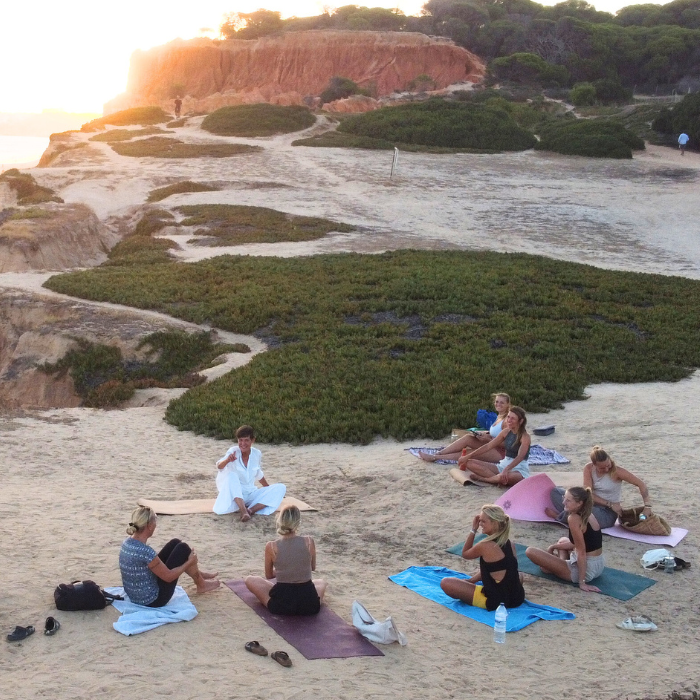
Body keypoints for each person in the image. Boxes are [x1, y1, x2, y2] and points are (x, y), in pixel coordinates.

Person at [119, 506, 219, 607]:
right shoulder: (145, 551)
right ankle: (201, 584)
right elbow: (169, 577)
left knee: (175, 543)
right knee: (183, 549)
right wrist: (189, 562)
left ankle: (199, 575)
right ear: (149, 526)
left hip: (136, 594)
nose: (156, 524)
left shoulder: (127, 542)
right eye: (155, 520)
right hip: (153, 600)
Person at [244, 505, 327, 615]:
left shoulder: (271, 546)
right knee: (321, 582)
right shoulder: (309, 542)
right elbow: (312, 567)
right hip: (309, 605)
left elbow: (269, 576)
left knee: (250, 579)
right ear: (298, 522)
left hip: (281, 603)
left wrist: (284, 571)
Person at [440, 504, 525, 610]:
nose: (480, 524)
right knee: (518, 575)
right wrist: (471, 581)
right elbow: (495, 569)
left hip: (496, 601)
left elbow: (465, 553)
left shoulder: (485, 545)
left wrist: (473, 530)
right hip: (517, 597)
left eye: (483, 521)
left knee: (446, 583)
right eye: (480, 521)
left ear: (494, 523)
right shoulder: (509, 543)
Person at [546, 445, 652, 529]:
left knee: (581, 508)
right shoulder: (588, 469)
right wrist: (610, 504)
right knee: (556, 492)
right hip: (592, 504)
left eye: (608, 465)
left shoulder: (617, 471)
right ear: (594, 465)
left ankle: (559, 517)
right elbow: (588, 493)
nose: (606, 469)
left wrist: (647, 507)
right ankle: (569, 512)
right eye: (602, 468)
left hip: (606, 513)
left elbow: (641, 484)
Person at [526, 486, 603, 593]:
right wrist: (554, 546)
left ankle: (560, 565)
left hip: (586, 570)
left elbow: (581, 552)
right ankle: (561, 562)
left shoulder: (574, 518)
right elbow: (581, 544)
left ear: (579, 503)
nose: (563, 502)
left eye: (568, 500)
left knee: (530, 552)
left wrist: (582, 583)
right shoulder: (588, 514)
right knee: (563, 540)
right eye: (564, 498)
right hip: (598, 565)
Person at [214, 425, 286, 521]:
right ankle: (243, 511)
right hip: (235, 497)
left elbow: (258, 474)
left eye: (246, 440)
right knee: (231, 475)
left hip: (251, 494)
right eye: (240, 440)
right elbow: (219, 466)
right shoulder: (233, 451)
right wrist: (227, 460)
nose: (243, 444)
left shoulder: (257, 454)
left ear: (252, 440)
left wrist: (269, 490)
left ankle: (250, 510)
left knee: (281, 487)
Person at [418, 393, 512, 464]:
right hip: (491, 444)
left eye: (502, 402)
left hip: (501, 453)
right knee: (468, 437)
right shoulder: (499, 416)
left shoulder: (507, 420)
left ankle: (435, 458)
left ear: (508, 404)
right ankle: (439, 453)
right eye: (497, 402)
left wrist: (489, 439)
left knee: (467, 452)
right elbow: (495, 433)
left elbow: (509, 444)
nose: (498, 404)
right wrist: (484, 434)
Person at [461, 406, 531, 485]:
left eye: (513, 418)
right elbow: (488, 446)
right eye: (508, 417)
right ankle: (496, 479)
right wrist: (468, 456)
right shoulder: (506, 432)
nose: (509, 420)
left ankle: (485, 479)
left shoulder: (525, 437)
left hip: (519, 469)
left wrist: (507, 469)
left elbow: (520, 457)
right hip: (503, 465)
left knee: (503, 477)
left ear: (520, 421)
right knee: (469, 463)